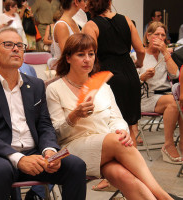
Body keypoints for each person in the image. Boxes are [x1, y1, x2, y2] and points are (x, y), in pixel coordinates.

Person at [46, 33, 174, 200]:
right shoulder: (55, 89)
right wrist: (74, 116)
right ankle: (164, 196)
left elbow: (117, 119)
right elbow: (56, 134)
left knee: (124, 176)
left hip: (106, 148)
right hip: (71, 149)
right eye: (80, 54)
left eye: (91, 54)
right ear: (68, 58)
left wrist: (121, 131)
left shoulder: (103, 86)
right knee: (116, 141)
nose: (87, 59)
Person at [0, 27, 87, 200]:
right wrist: (19, 159)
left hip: (35, 153)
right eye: (8, 45)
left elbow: (44, 125)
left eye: (20, 46)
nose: (16, 49)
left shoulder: (36, 85)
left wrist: (49, 150)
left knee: (76, 166)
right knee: (0, 170)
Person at [84, 0, 145, 148]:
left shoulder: (91, 25)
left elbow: (90, 55)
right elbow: (141, 50)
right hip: (130, 74)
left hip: (108, 76)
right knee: (130, 127)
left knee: (113, 127)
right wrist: (139, 64)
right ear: (109, 2)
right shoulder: (126, 20)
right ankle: (134, 164)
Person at [139, 22, 182, 164]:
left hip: (165, 96)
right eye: (156, 34)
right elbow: (131, 83)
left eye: (163, 35)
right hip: (147, 97)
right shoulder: (139, 55)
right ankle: (168, 144)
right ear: (148, 36)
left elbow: (176, 74)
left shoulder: (165, 55)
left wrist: (165, 52)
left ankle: (182, 142)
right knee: (173, 103)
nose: (160, 37)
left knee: (180, 101)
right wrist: (143, 77)